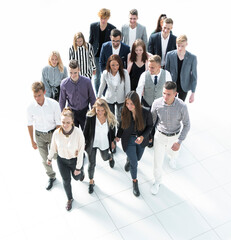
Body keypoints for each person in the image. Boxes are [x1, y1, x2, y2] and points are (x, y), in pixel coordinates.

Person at [150, 81, 190, 195]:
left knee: (173, 153)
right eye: (164, 93)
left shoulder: (182, 106)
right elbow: (151, 121)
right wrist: (148, 135)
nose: (165, 97)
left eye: (168, 94)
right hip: (160, 136)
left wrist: (179, 141)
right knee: (157, 161)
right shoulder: (156, 103)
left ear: (175, 94)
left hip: (175, 136)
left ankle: (173, 157)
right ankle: (157, 181)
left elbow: (187, 124)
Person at [47, 108, 85, 211]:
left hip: (74, 160)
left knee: (77, 178)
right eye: (63, 122)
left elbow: (81, 151)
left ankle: (82, 172)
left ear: (72, 121)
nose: (65, 125)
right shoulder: (56, 133)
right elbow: (53, 147)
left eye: (68, 122)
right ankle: (69, 199)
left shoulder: (78, 133)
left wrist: (78, 167)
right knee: (66, 181)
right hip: (62, 161)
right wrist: (49, 158)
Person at [115, 91, 153, 197]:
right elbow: (121, 125)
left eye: (132, 104)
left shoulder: (145, 112)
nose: (129, 106)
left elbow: (150, 126)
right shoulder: (123, 110)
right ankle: (135, 181)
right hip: (128, 140)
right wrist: (118, 136)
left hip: (141, 140)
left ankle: (129, 160)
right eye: (127, 103)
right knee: (134, 163)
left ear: (137, 103)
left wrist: (143, 137)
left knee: (138, 158)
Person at [27, 81, 61, 190]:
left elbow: (58, 123)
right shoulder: (30, 107)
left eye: (39, 95)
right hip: (39, 135)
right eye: (35, 96)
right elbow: (29, 124)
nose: (37, 99)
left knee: (55, 156)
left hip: (52, 134)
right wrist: (32, 140)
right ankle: (51, 177)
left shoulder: (54, 104)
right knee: (45, 159)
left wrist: (57, 140)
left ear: (45, 92)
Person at [136, 55, 172, 147]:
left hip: (161, 104)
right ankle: (150, 138)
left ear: (159, 67)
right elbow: (139, 90)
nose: (150, 69)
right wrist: (138, 106)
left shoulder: (166, 74)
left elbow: (170, 90)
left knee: (160, 123)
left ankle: (160, 139)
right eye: (149, 66)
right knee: (149, 123)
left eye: (152, 67)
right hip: (147, 103)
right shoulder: (144, 75)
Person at [83, 98, 117, 194]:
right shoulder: (90, 117)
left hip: (104, 143)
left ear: (105, 109)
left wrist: (113, 141)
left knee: (105, 157)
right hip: (92, 144)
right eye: (98, 110)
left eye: (102, 110)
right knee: (91, 163)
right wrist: (82, 144)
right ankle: (91, 181)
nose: (100, 112)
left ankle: (110, 158)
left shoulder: (109, 118)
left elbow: (112, 132)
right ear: (95, 109)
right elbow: (85, 132)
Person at [59, 60, 96, 130]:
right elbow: (62, 100)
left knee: (86, 135)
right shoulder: (64, 84)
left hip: (85, 111)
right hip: (72, 113)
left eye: (75, 73)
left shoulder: (87, 81)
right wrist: (62, 115)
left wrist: (93, 112)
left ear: (79, 70)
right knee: (73, 135)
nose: (73, 75)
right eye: (71, 73)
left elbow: (92, 98)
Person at [89, 8, 116, 94]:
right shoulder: (93, 26)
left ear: (108, 18)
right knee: (97, 77)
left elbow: (113, 43)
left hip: (107, 56)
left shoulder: (112, 28)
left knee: (107, 75)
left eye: (105, 18)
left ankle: (106, 93)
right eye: (101, 18)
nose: (103, 20)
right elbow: (90, 42)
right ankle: (98, 95)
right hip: (96, 55)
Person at [98, 54, 130, 123]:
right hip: (109, 98)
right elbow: (102, 85)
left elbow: (127, 87)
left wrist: (127, 99)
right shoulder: (105, 73)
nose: (115, 67)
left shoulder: (125, 73)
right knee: (110, 118)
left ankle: (119, 133)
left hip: (121, 98)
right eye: (113, 65)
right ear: (109, 64)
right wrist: (98, 96)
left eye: (117, 65)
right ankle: (111, 133)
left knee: (120, 118)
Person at [165, 35, 197, 102]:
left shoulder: (192, 57)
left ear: (186, 44)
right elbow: (166, 72)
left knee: (180, 107)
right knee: (170, 105)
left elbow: (194, 76)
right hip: (172, 86)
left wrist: (193, 93)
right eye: (178, 45)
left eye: (182, 46)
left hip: (184, 87)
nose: (180, 48)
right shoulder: (169, 55)